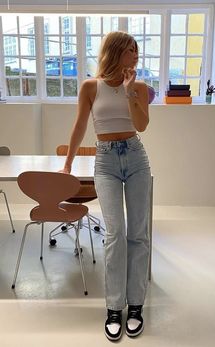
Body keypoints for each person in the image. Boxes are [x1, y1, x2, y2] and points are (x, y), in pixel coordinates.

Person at [60, 31, 151, 341]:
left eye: (137, 50)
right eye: (130, 50)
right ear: (114, 53)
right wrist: (69, 162)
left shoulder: (138, 87)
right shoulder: (89, 87)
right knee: (115, 233)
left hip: (136, 158)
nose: (136, 55)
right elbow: (80, 125)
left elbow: (142, 126)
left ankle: (135, 305)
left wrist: (129, 93)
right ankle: (115, 307)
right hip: (106, 162)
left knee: (138, 234)